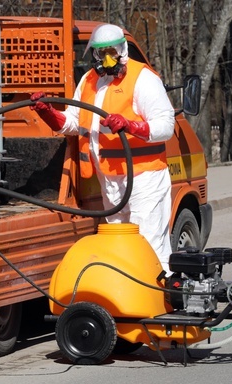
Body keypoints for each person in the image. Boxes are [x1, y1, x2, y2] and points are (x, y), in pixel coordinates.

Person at [30, 23, 175, 273]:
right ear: (94, 54)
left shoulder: (143, 78)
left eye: (113, 51)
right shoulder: (88, 81)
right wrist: (48, 113)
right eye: (101, 53)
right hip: (109, 179)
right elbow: (74, 122)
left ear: (123, 49)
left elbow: (166, 126)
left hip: (144, 177)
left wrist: (130, 125)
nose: (108, 58)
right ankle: (130, 299)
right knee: (119, 244)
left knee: (149, 242)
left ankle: (160, 298)